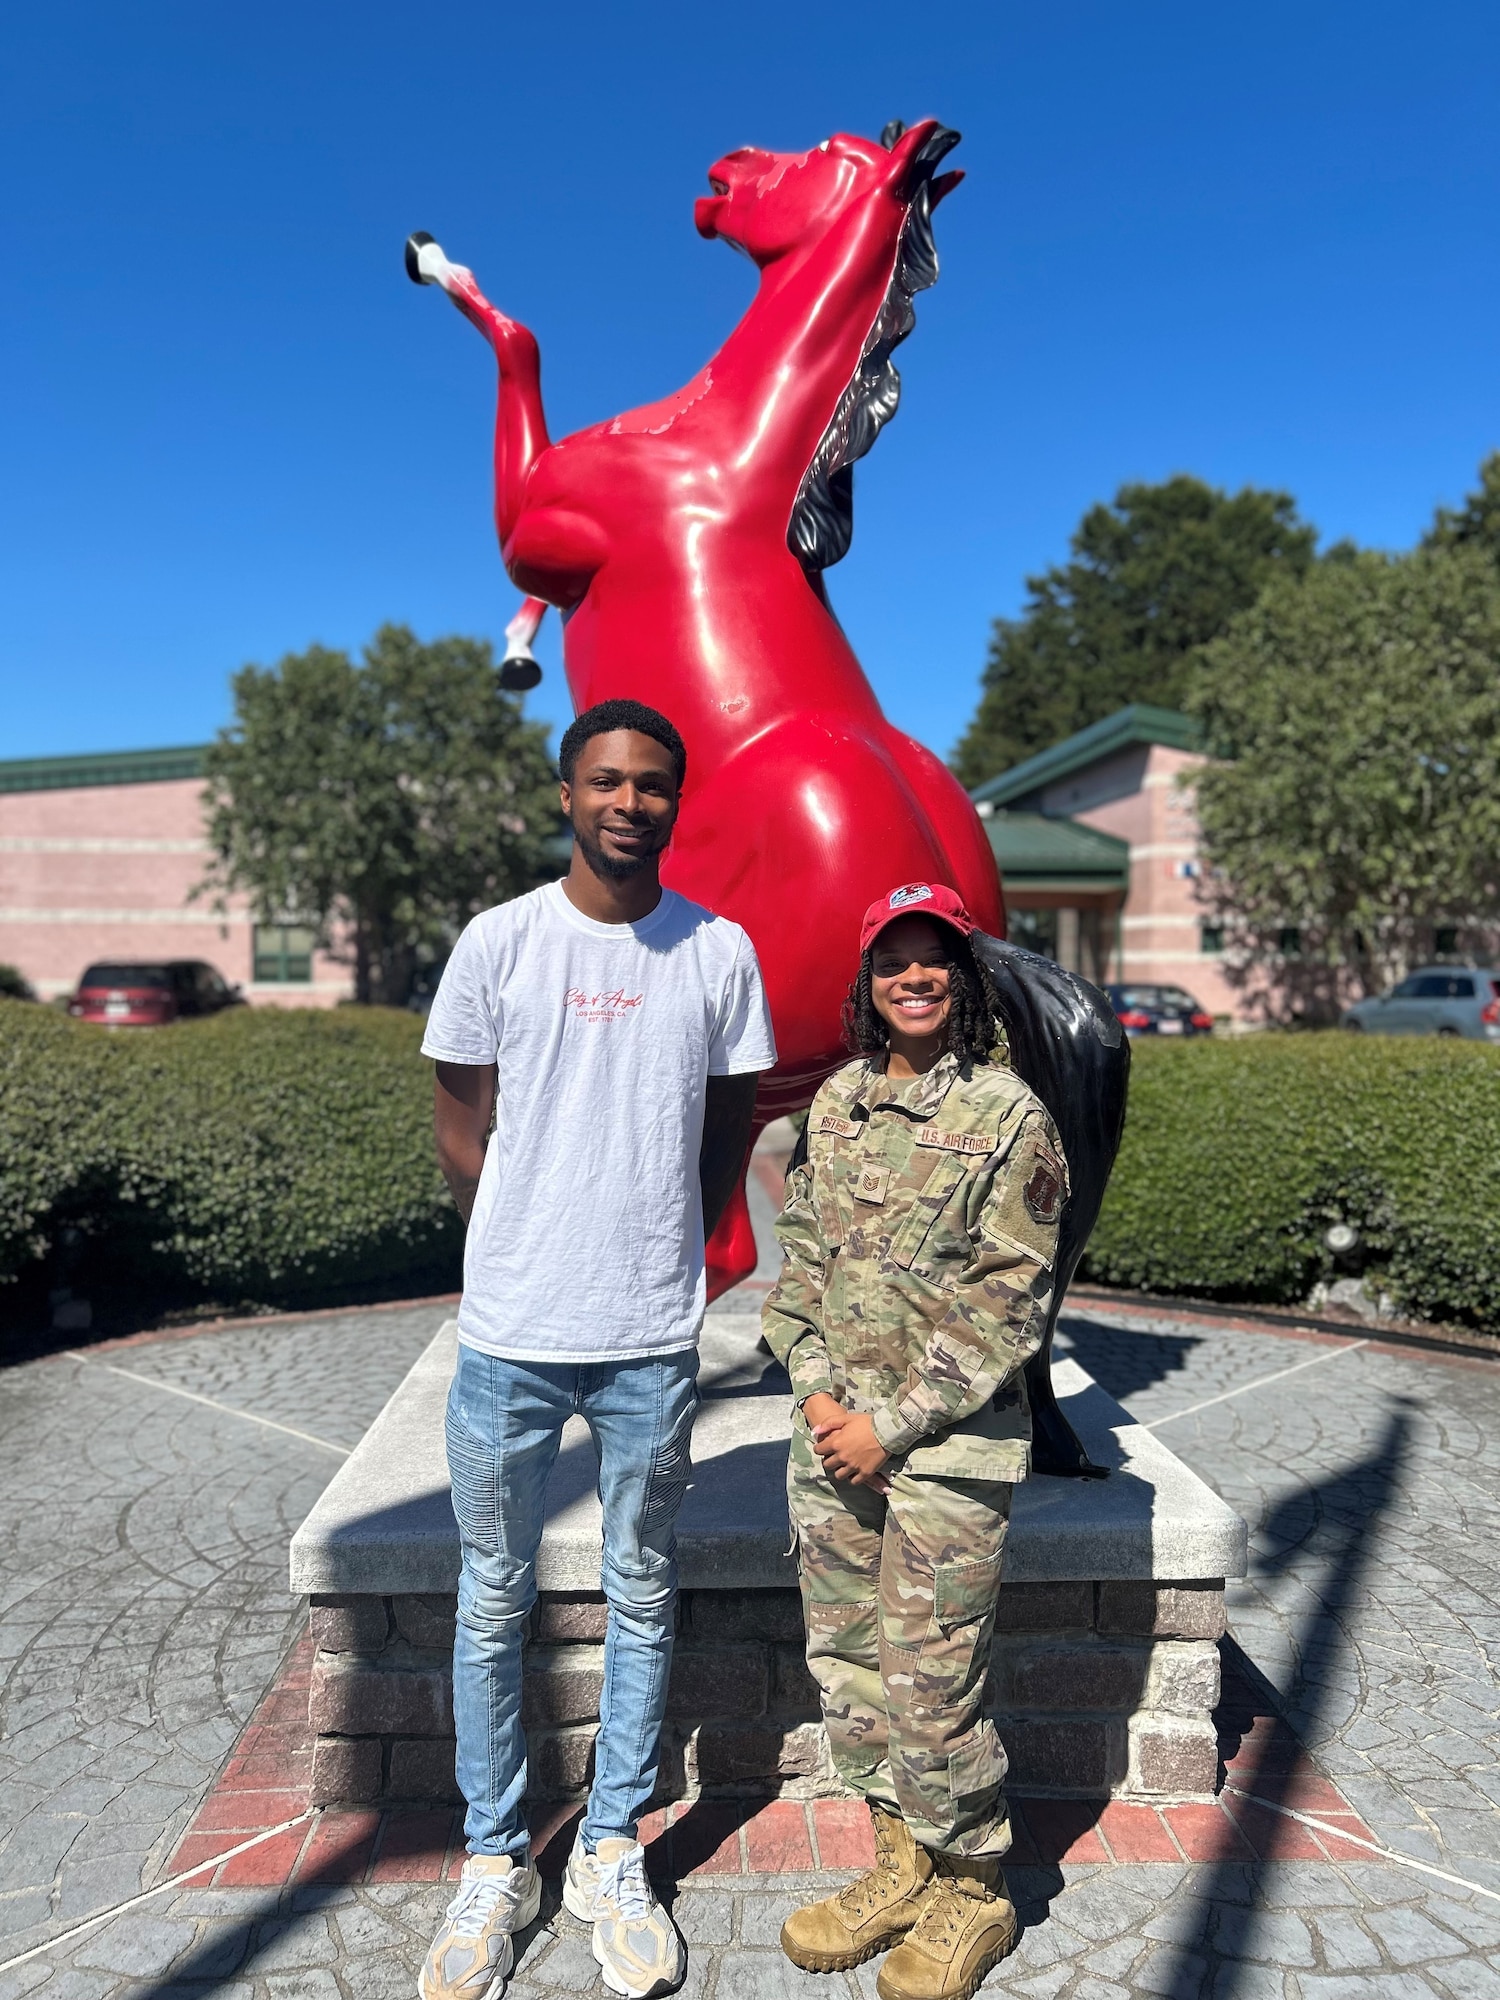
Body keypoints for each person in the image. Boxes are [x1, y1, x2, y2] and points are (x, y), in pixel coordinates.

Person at [417, 698, 776, 2000]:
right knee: (492, 1597)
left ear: (679, 804)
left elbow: (727, 1130)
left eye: (654, 786)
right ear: (565, 794)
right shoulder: (497, 944)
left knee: (638, 1588)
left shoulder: (718, 954)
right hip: (511, 1331)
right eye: (607, 780)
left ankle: (611, 1847)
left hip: (646, 1337)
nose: (631, 802)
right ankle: (491, 1858)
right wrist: (525, 1238)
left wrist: (666, 1245)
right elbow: (464, 1136)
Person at [762, 882, 1068, 2000]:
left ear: (965, 975)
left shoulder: (1007, 1117)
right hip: (834, 1443)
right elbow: (796, 1271)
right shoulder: (834, 1105)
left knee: (936, 1681)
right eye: (893, 959)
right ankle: (902, 1858)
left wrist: (885, 1424)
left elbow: (1008, 1305)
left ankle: (974, 1885)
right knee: (850, 1671)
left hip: (945, 1452)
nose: (914, 976)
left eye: (934, 956)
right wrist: (820, 1399)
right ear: (868, 981)